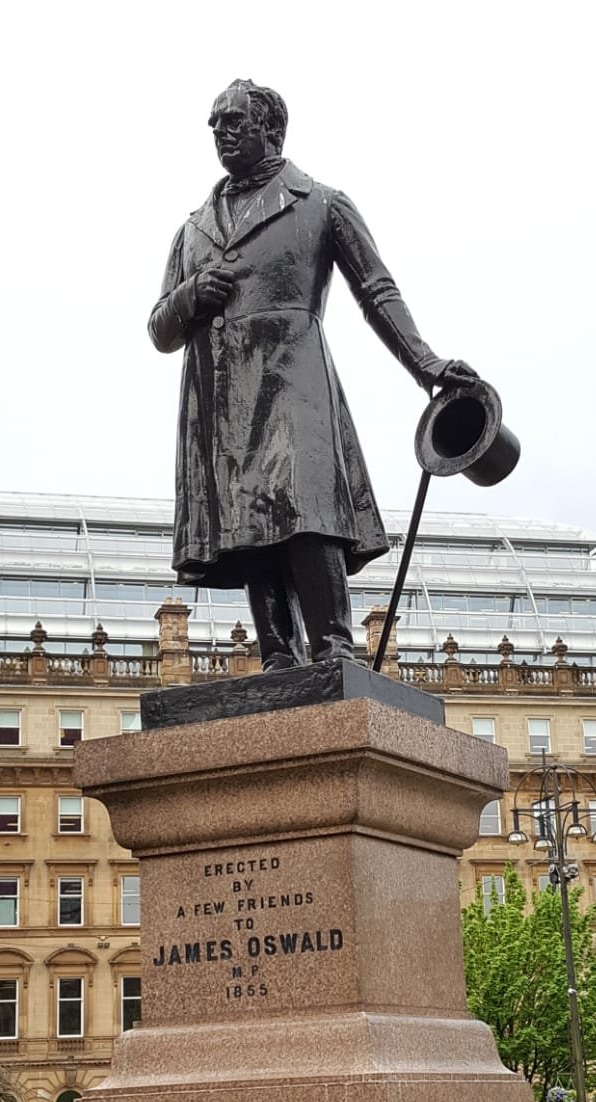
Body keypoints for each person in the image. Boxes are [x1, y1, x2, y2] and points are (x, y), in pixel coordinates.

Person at [148, 79, 477, 670]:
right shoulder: (192, 228)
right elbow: (159, 329)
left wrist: (426, 364)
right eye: (213, 122)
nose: (218, 130)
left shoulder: (320, 202)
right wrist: (191, 294)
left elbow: (377, 291)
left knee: (307, 506)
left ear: (271, 128)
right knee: (248, 518)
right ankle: (277, 652)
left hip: (291, 375)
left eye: (232, 120)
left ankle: (333, 645)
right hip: (220, 393)